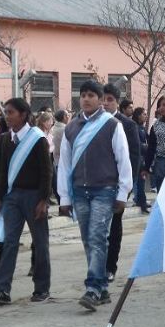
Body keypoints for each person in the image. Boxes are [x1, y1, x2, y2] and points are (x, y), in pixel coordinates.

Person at [57, 80, 132, 311]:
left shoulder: (111, 125)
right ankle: (102, 287)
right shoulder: (71, 128)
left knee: (98, 236)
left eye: (92, 95)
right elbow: (64, 165)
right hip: (79, 191)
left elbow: (123, 160)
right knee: (88, 240)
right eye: (83, 95)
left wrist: (122, 193)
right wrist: (64, 198)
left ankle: (93, 288)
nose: (87, 99)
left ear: (101, 100)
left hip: (104, 190)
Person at [0, 98, 53, 305]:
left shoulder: (37, 139)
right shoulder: (5, 140)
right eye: (6, 112)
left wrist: (43, 199)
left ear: (23, 114)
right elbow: (2, 172)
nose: (7, 115)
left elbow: (47, 172)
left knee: (40, 243)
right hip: (12, 197)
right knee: (9, 242)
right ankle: (1, 290)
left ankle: (42, 288)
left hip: (34, 197)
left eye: (11, 112)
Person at [102, 83, 140, 282]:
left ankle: (110, 267)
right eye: (103, 99)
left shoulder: (127, 124)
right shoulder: (92, 122)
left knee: (114, 225)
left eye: (110, 100)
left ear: (117, 102)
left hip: (117, 184)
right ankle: (97, 266)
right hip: (96, 184)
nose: (105, 103)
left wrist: (127, 187)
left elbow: (134, 157)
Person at [132, 107, 150, 213]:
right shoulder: (135, 127)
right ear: (138, 115)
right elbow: (137, 144)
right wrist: (147, 147)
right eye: (144, 114)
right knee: (139, 182)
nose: (146, 116)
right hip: (138, 159)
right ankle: (141, 202)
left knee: (140, 182)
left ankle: (141, 201)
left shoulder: (142, 127)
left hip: (142, 158)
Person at [52, 110, 70, 202]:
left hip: (55, 159)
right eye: (67, 115)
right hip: (63, 160)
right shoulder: (65, 129)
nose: (68, 117)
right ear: (64, 117)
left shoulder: (53, 128)